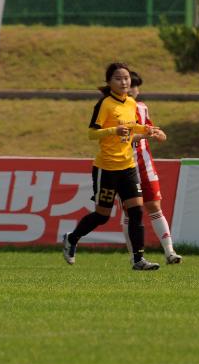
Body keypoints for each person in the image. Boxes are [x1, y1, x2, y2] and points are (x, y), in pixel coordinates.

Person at [61, 62, 161, 271]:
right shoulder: (105, 104)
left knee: (136, 212)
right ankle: (72, 237)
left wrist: (147, 129)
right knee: (102, 216)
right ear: (109, 82)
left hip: (128, 166)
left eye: (126, 78)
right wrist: (113, 131)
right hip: (106, 169)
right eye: (118, 78)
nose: (124, 82)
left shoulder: (131, 103)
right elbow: (92, 133)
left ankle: (138, 260)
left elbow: (131, 128)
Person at [121, 71, 182, 265]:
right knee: (130, 212)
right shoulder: (115, 110)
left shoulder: (142, 108)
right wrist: (146, 134)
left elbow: (151, 129)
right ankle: (135, 257)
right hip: (124, 165)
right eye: (129, 85)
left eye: (134, 86)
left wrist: (159, 134)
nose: (132, 89)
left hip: (145, 164)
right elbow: (123, 137)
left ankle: (170, 252)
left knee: (155, 206)